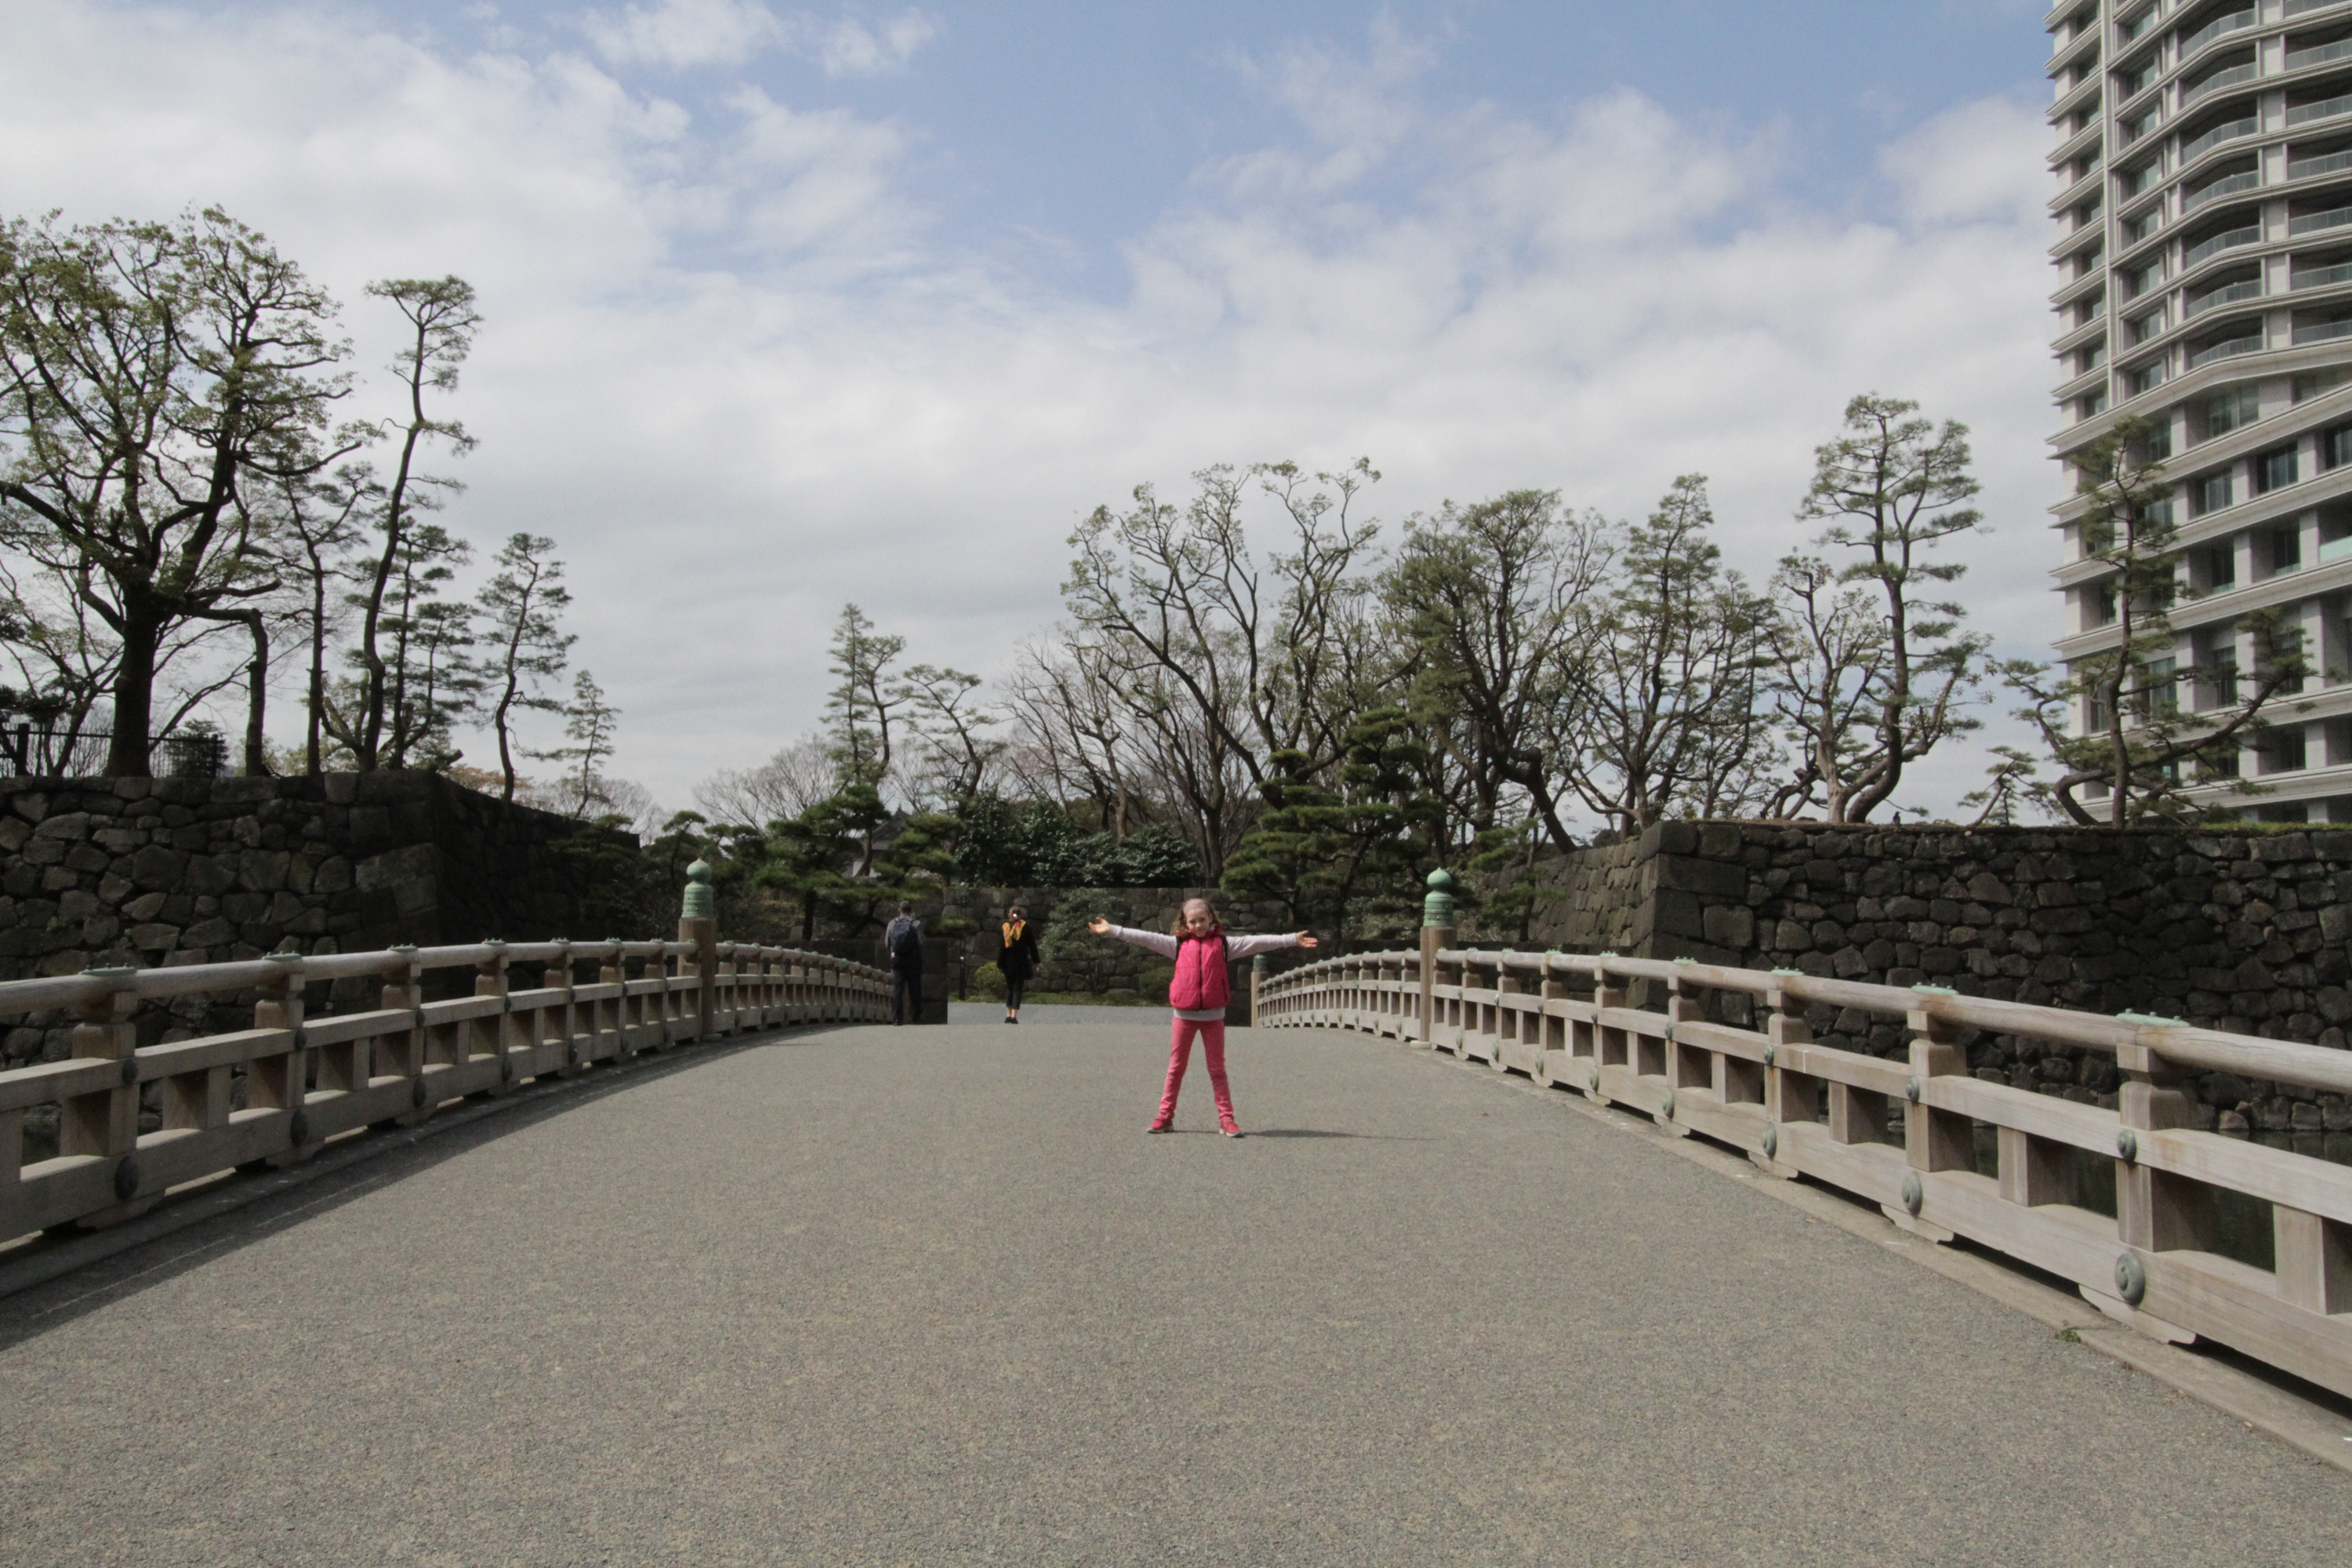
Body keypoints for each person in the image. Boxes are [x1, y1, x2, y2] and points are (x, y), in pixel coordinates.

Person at [1088, 898, 1316, 1137]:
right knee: (1176, 1068)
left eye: (1202, 920)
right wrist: (1113, 930)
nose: (1198, 925)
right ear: (1185, 923)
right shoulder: (1176, 944)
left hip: (1213, 1017)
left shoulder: (1225, 945)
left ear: (1211, 919)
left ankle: (1227, 1119)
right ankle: (1165, 1117)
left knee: (1217, 1069)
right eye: (1192, 921)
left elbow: (1257, 942)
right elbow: (1146, 938)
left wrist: (1292, 939)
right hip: (1183, 1016)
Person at [997, 904, 1040, 1025]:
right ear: (1019, 915)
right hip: (1021, 962)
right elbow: (1032, 945)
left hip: (1007, 963)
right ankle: (1014, 1016)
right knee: (1018, 988)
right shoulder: (1026, 927)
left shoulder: (1005, 928)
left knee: (1009, 987)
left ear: (1010, 915)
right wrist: (1036, 960)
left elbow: (1002, 947)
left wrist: (999, 964)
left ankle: (1008, 1015)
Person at [884, 902, 924, 1025]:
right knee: (915, 988)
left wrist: (893, 953)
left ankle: (897, 1018)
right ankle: (916, 1017)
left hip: (898, 959)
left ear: (899, 910)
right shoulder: (916, 924)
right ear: (911, 910)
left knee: (898, 988)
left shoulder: (892, 923)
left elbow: (887, 943)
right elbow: (921, 942)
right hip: (913, 960)